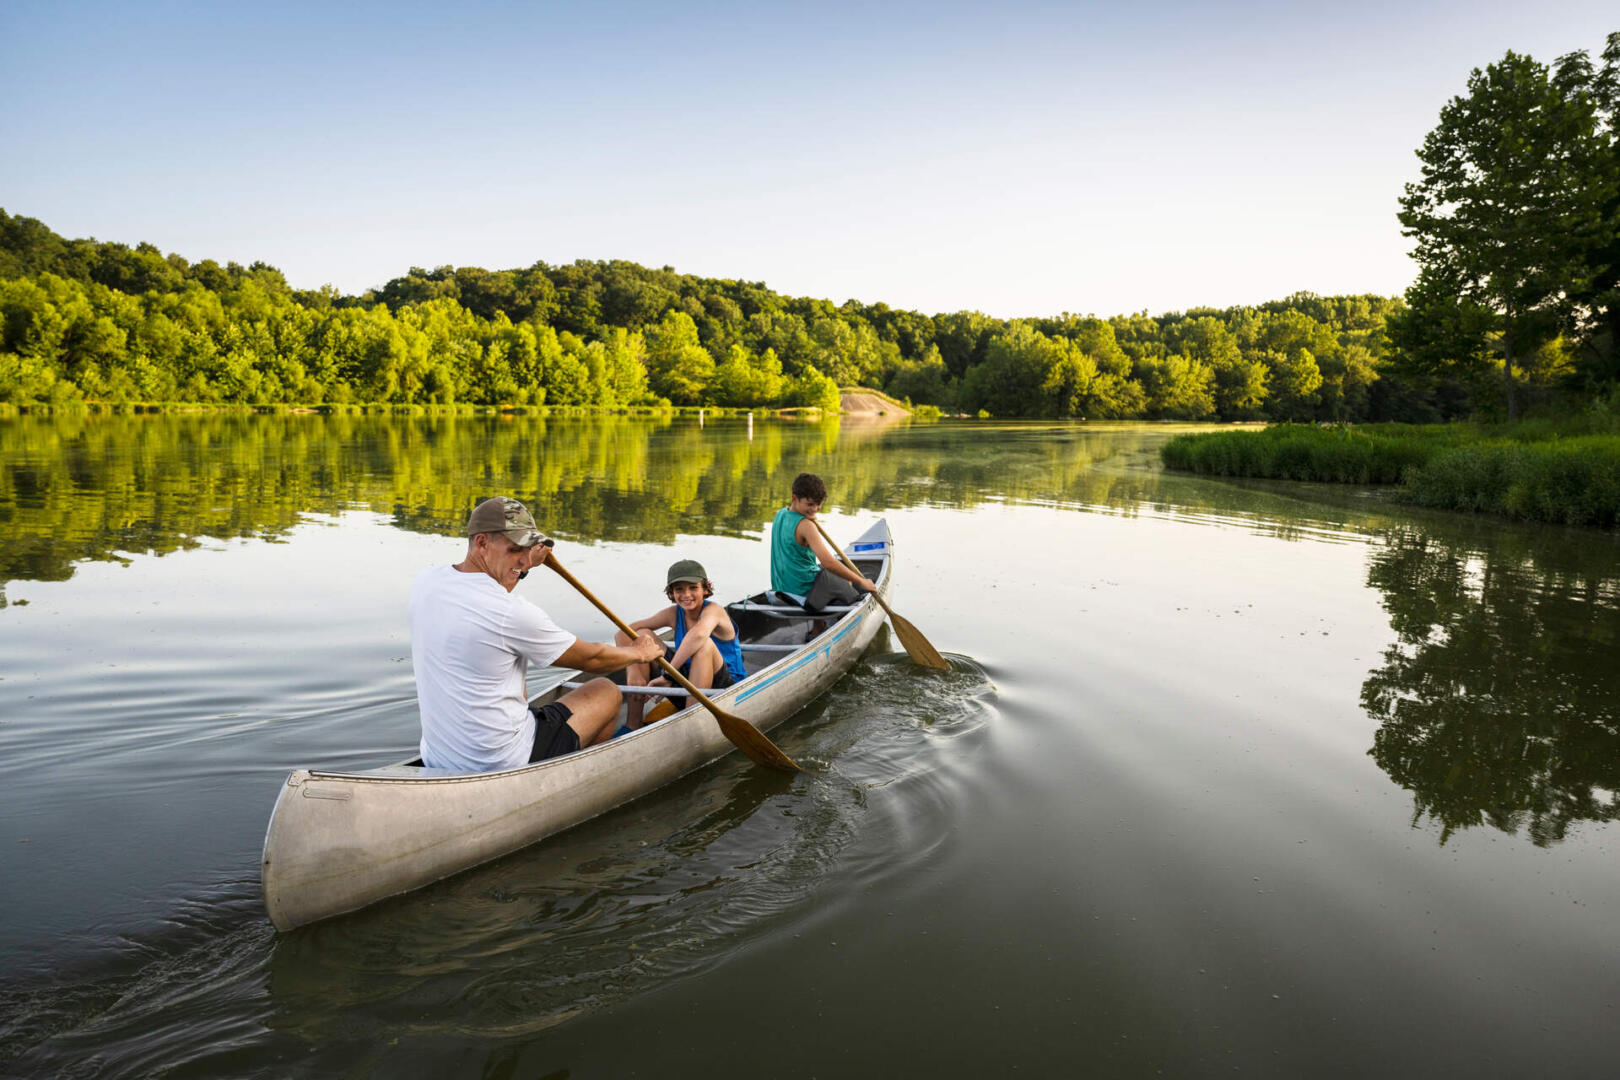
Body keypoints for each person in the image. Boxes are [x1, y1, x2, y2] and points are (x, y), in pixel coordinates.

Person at [409, 496, 664, 772]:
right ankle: (581, 775)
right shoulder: (511, 613)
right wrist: (639, 653)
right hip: (502, 760)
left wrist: (520, 566)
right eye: (515, 548)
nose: (525, 559)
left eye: (528, 548)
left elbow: (489, 602)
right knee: (607, 691)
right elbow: (592, 660)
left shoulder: (427, 581)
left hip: (440, 756)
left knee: (517, 679)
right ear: (482, 543)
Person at [615, 559, 748, 730]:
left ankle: (690, 723)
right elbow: (622, 633)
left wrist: (668, 676)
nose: (686, 595)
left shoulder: (714, 611)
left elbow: (698, 635)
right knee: (642, 636)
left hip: (723, 689)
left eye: (693, 588)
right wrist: (633, 670)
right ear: (671, 592)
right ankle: (633, 724)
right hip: (685, 682)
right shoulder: (673, 614)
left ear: (706, 588)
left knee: (703, 644)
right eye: (679, 589)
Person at [770, 472, 876, 612]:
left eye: (818, 505)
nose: (814, 509)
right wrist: (861, 581)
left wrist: (808, 513)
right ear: (794, 498)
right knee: (851, 591)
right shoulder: (806, 525)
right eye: (810, 504)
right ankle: (838, 616)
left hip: (782, 587)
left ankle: (817, 628)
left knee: (841, 578)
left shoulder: (781, 514)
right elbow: (829, 563)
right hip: (803, 592)